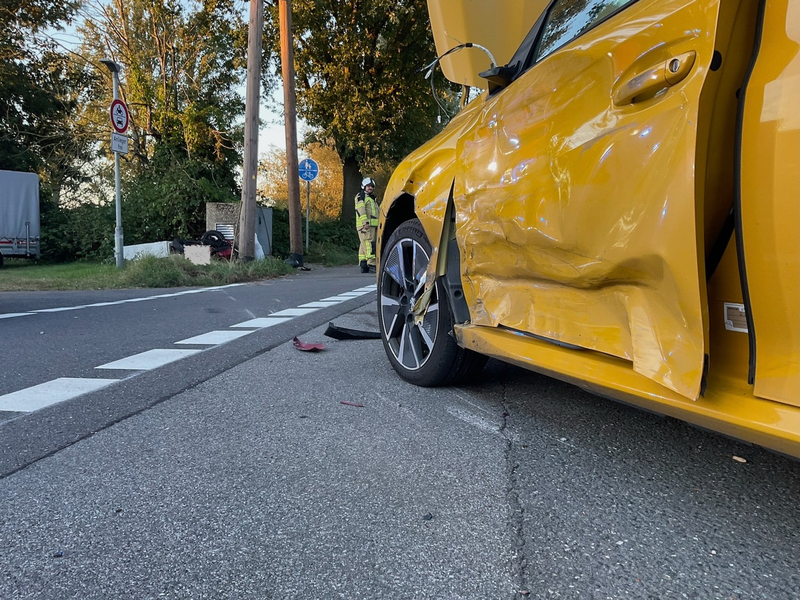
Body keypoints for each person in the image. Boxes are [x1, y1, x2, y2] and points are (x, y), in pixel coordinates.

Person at [355, 177, 379, 273]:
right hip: (366, 225)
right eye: (368, 186)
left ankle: (364, 264)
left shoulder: (371, 198)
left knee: (364, 244)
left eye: (372, 186)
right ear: (363, 187)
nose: (370, 188)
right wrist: (365, 222)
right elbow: (360, 209)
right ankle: (372, 264)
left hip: (371, 225)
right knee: (370, 244)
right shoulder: (361, 196)